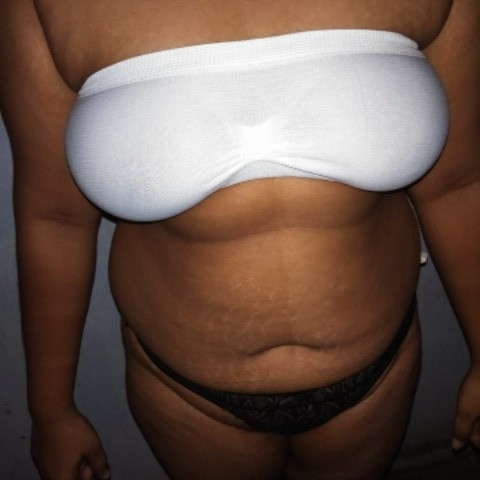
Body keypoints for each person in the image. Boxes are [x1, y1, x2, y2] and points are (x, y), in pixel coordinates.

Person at [1, 0, 479, 479]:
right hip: (184, 395)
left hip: (380, 373)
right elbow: (54, 218)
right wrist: (51, 412)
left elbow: (458, 185)